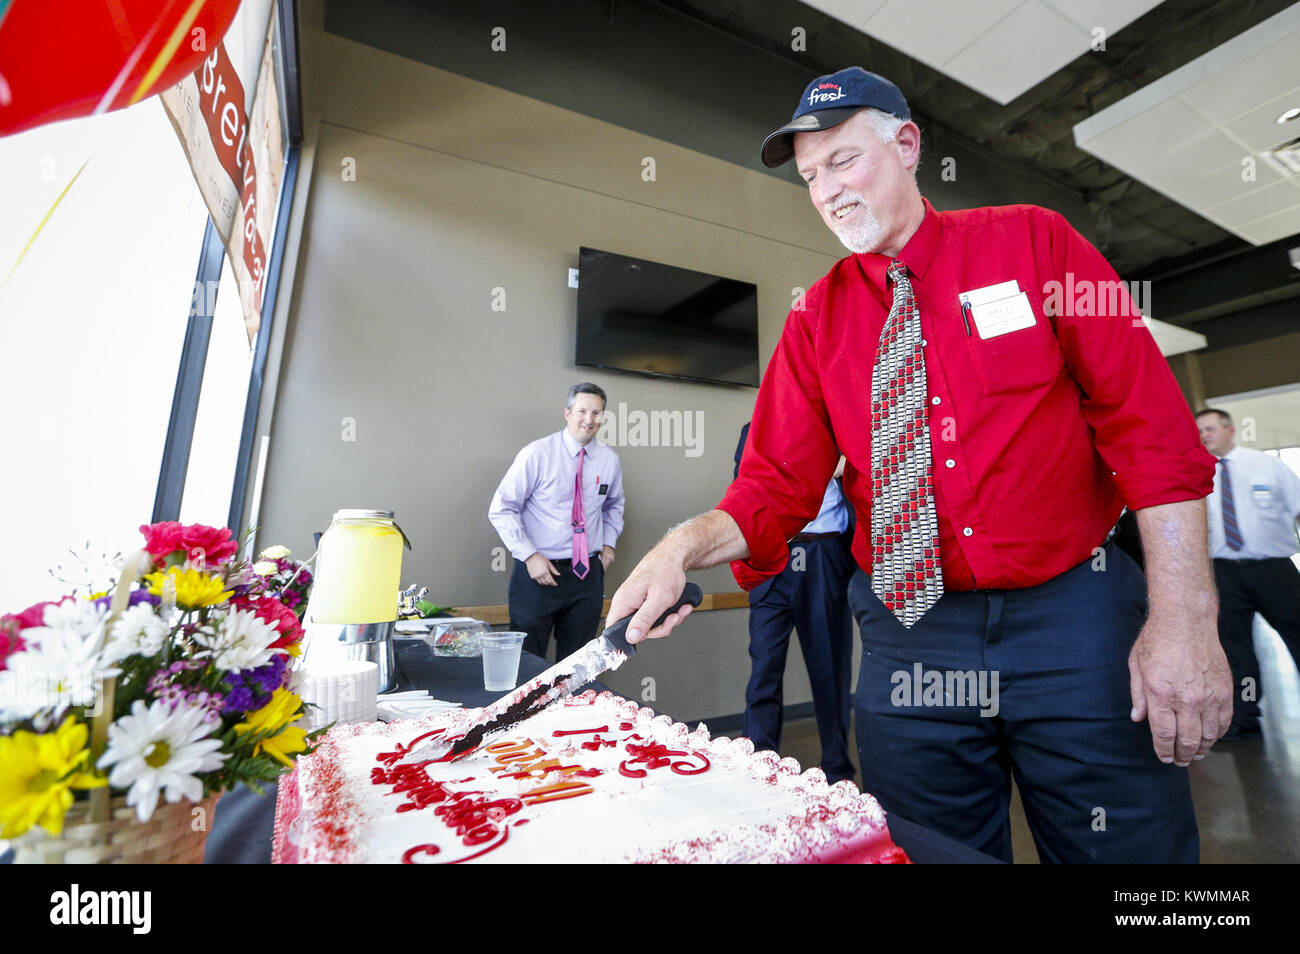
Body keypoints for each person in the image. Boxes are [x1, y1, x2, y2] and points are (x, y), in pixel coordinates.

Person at [607, 67, 1233, 863]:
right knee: (929, 853)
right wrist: (675, 550)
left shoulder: (1035, 241)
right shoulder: (815, 322)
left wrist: (1183, 618)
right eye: (808, 177)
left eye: (842, 161)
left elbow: (1151, 430)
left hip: (1073, 623)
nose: (827, 190)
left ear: (906, 146)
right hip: (913, 639)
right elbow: (773, 487)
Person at [733, 422, 856, 784]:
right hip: (772, 555)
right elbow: (743, 486)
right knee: (764, 666)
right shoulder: (754, 430)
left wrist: (840, 466)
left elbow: (866, 482)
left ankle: (837, 771)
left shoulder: (841, 429)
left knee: (829, 667)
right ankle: (759, 764)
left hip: (823, 554)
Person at [489, 383, 624, 660]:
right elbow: (502, 508)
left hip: (586, 576)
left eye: (596, 413)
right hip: (538, 573)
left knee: (579, 665)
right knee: (527, 665)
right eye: (582, 411)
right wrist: (530, 555)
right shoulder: (537, 454)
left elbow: (614, 506)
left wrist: (608, 546)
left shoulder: (609, 460)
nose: (589, 419)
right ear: (567, 413)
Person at [1196, 408, 1300, 741]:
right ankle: (1245, 718)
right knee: (1234, 649)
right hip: (1223, 573)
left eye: (1210, 428)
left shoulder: (1267, 465)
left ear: (1230, 430)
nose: (1204, 435)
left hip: (1274, 570)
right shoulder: (1196, 473)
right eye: (1199, 431)